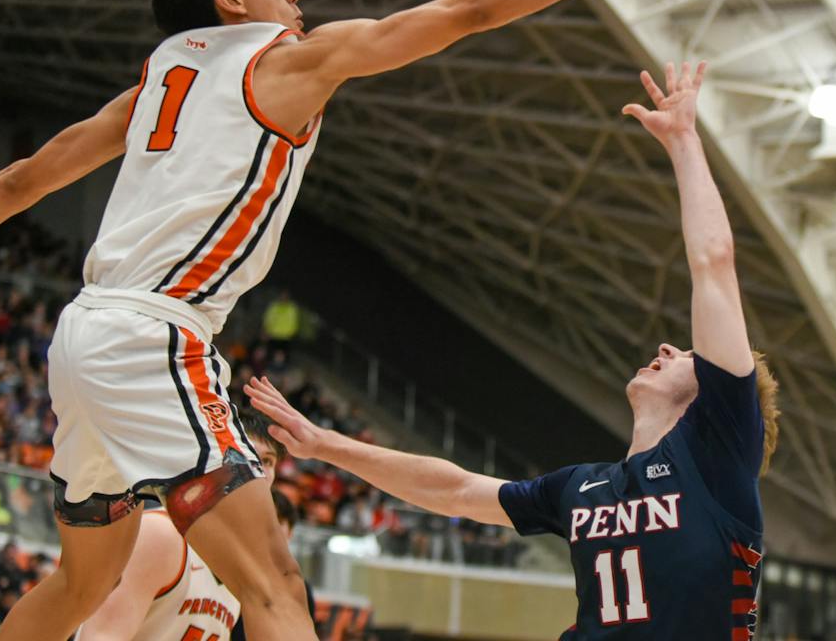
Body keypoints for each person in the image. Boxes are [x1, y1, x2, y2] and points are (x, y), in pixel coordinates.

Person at [0, 0, 714, 641]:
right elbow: (469, 9)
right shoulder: (286, 62)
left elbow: (26, 177)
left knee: (81, 583)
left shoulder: (156, 83)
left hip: (80, 336)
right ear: (231, 0)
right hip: (154, 337)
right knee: (275, 586)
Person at [249, 62, 780, 639]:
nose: (668, 346)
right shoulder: (583, 488)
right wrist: (325, 444)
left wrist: (684, 142)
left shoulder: (718, 456)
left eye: (688, 355)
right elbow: (453, 489)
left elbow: (713, 265)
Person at [77, 414, 310, 640]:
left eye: (267, 461)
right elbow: (101, 635)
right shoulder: (161, 534)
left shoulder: (241, 567)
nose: (258, 470)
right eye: (247, 454)